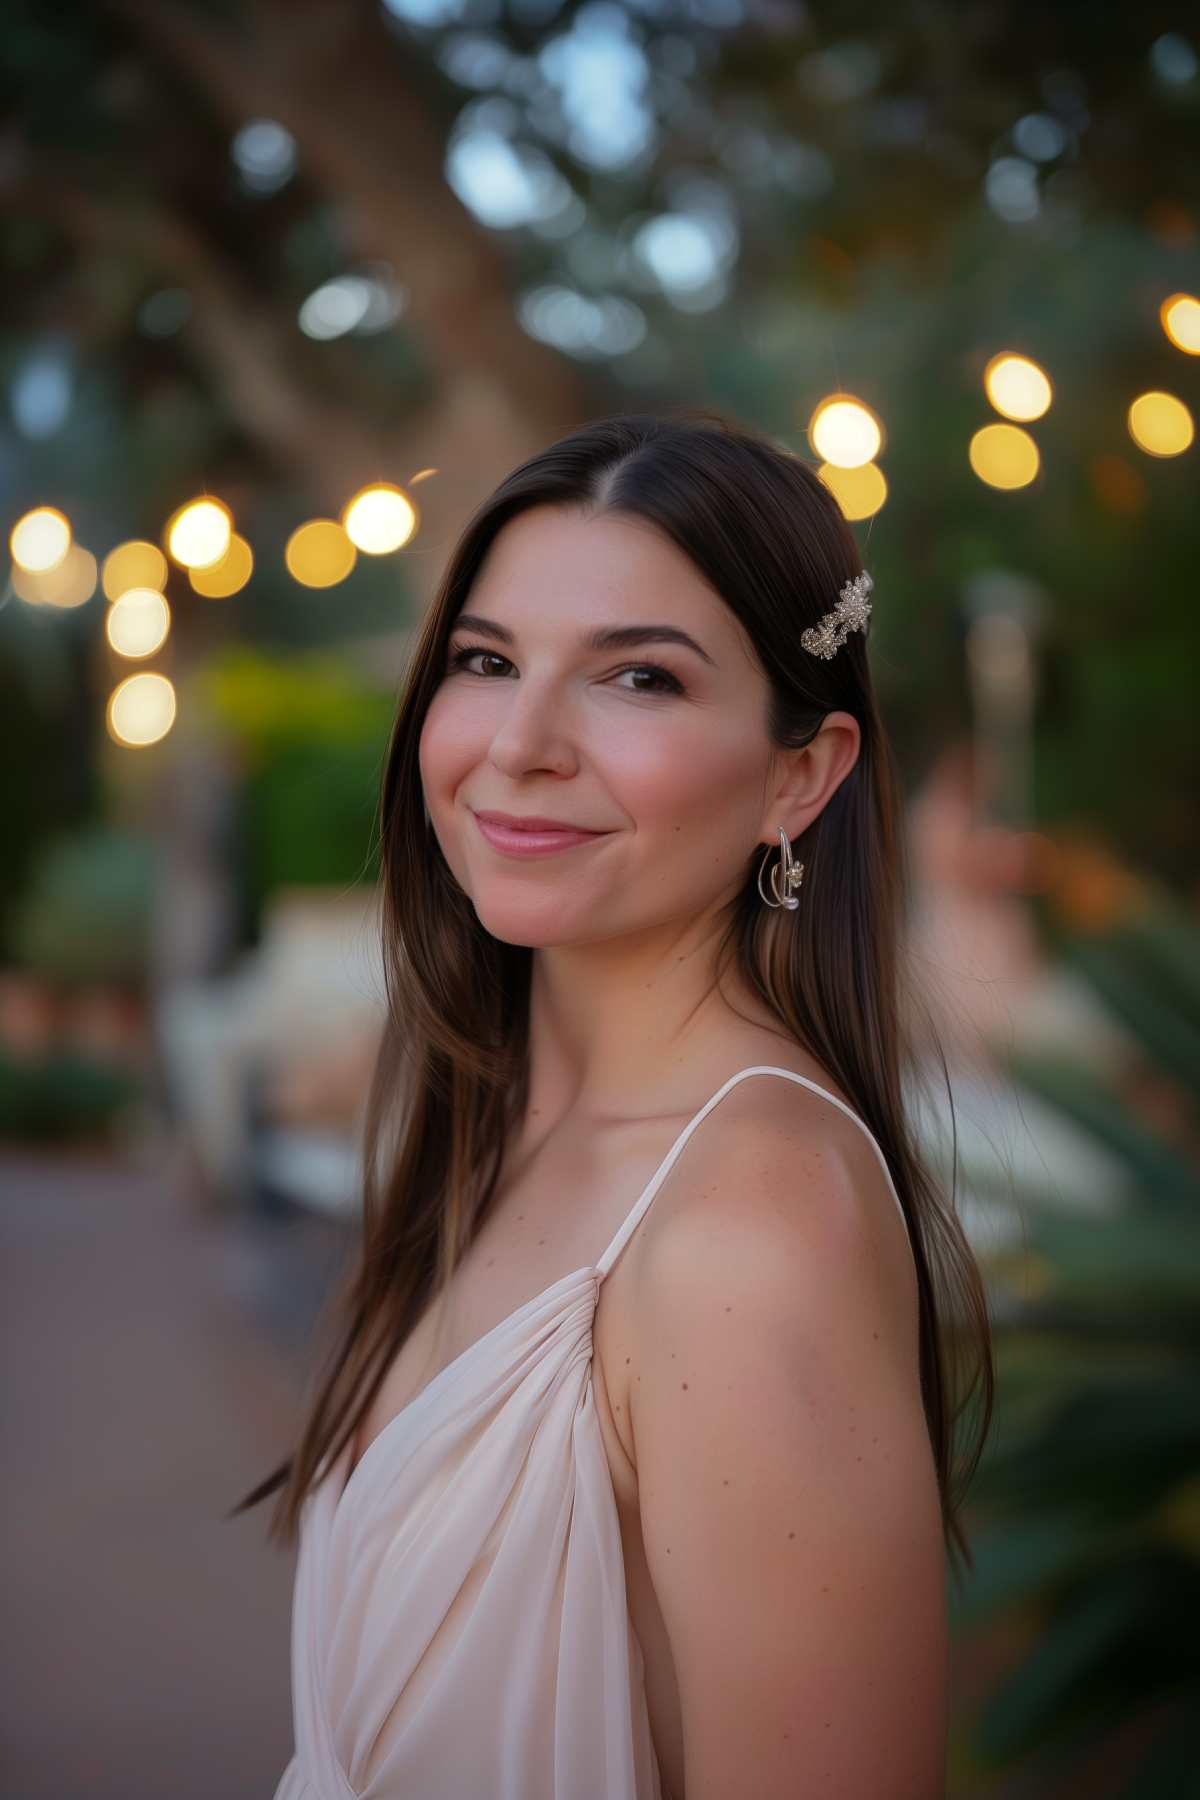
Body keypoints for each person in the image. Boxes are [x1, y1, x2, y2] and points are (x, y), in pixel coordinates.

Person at [235, 409, 993, 1799]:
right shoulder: (491, 1123)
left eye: (637, 678)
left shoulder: (750, 1233)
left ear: (800, 775)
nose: (519, 743)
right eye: (485, 660)